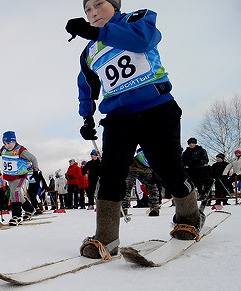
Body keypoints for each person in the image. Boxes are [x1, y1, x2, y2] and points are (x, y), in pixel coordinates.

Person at [65, 0, 204, 259]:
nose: (92, 12)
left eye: (98, 4)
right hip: (118, 117)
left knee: (167, 168)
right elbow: (86, 86)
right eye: (87, 10)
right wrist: (87, 118)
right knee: (111, 174)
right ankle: (106, 237)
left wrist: (96, 32)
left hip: (157, 108)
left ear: (115, 6)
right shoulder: (89, 52)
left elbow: (144, 40)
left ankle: (189, 216)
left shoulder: (138, 20)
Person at [0, 131, 41, 225]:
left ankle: (16, 216)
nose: (7, 145)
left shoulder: (20, 150)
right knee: (18, 195)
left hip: (19, 175)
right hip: (9, 176)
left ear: (14, 141)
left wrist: (36, 171)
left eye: (9, 143)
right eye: (5, 143)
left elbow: (33, 158)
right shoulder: (4, 149)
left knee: (15, 193)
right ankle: (30, 210)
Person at [123, 149, 161, 216]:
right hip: (133, 168)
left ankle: (154, 208)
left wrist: (155, 175)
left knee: (152, 187)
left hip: (146, 169)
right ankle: (123, 208)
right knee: (127, 187)